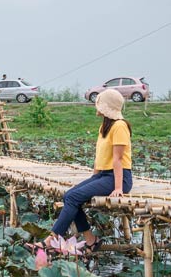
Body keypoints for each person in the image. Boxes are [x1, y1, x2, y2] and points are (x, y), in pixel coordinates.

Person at [49, 88, 133, 250]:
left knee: (73, 198)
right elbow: (100, 156)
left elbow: (118, 159)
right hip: (103, 175)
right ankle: (90, 239)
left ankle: (51, 240)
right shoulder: (105, 127)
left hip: (118, 178)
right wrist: (92, 179)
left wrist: (118, 188)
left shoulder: (120, 126)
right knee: (69, 196)